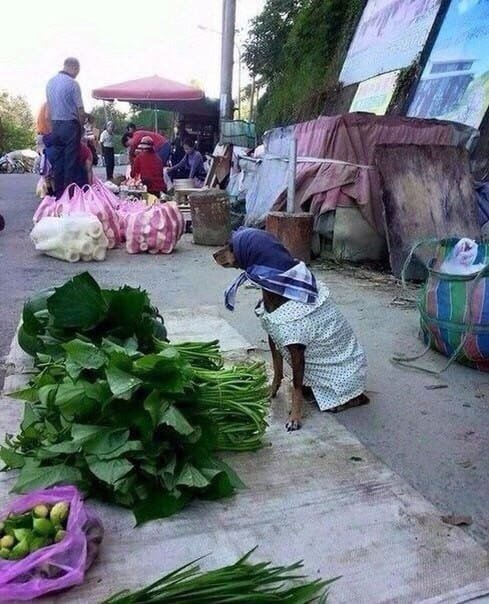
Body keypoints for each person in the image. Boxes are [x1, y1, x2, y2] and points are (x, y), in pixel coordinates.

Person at [213, 228, 369, 431]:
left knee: (300, 359)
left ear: (256, 256)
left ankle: (329, 401)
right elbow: (275, 337)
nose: (221, 254)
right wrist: (276, 380)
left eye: (232, 249)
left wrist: (296, 408)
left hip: (342, 369)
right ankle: (279, 381)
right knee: (280, 336)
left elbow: (298, 356)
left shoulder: (295, 298)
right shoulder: (273, 287)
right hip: (311, 360)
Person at [46, 57, 86, 197]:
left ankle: (58, 196)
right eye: (78, 70)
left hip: (55, 125)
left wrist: (52, 128)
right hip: (70, 125)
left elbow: (48, 112)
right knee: (70, 163)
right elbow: (80, 110)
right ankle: (69, 197)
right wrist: (81, 129)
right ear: (74, 67)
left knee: (58, 163)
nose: (77, 73)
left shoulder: (50, 83)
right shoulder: (73, 84)